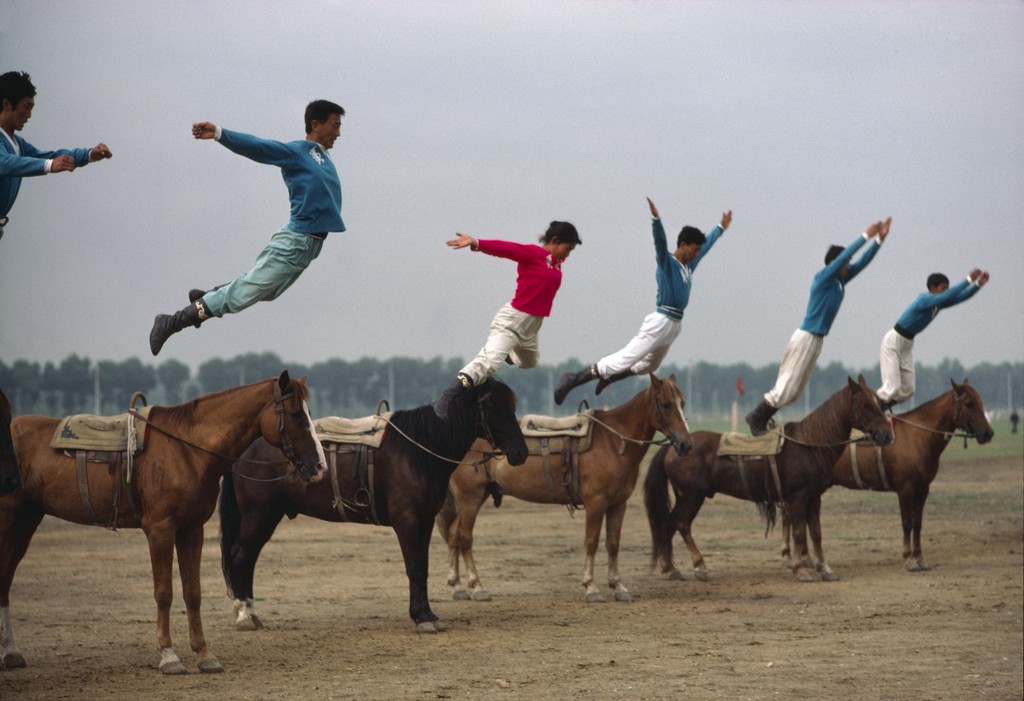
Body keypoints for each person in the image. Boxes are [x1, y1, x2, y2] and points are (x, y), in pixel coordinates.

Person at [148, 99, 346, 355]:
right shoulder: (299, 152)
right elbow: (259, 147)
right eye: (335, 126)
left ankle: (211, 294)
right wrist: (220, 134)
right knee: (243, 294)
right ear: (316, 125)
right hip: (295, 242)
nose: (339, 133)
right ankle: (171, 321)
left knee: (267, 292)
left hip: (308, 246)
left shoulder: (321, 155)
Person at [554, 197, 732, 404]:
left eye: (697, 251)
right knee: (623, 359)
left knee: (648, 367)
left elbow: (707, 244)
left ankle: (610, 377)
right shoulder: (667, 262)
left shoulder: (688, 266)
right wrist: (656, 219)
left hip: (674, 325)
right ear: (683, 245)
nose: (696, 254)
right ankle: (573, 379)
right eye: (694, 250)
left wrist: (721, 227)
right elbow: (660, 242)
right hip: (661, 322)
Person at [745, 217, 891, 435]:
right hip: (805, 337)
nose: (849, 265)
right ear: (835, 264)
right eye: (845, 263)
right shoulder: (823, 278)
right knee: (786, 386)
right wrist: (866, 236)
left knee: (793, 392)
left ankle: (763, 418)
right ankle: (756, 418)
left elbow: (863, 263)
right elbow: (844, 257)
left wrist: (879, 241)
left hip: (817, 339)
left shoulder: (840, 281)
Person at [432, 221, 582, 419]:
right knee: (488, 363)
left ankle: (508, 353)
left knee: (530, 362)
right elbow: (506, 249)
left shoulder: (555, 263)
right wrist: (476, 242)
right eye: (567, 248)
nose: (568, 254)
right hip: (512, 322)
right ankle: (445, 398)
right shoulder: (533, 254)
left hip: (532, 327)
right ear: (554, 240)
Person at [0, 71, 112, 241]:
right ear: (7, 104)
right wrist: (49, 166)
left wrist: (89, 154)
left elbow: (48, 156)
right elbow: (5, 163)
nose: (29, 115)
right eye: (27, 107)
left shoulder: (17, 144)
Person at [876, 268, 989, 409]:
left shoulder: (938, 304)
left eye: (947, 288)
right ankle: (869, 409)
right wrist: (968, 280)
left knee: (908, 390)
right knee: (891, 387)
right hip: (893, 342)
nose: (946, 292)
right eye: (943, 288)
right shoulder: (924, 299)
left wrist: (978, 285)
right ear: (932, 288)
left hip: (907, 344)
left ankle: (881, 408)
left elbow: (960, 297)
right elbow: (950, 295)